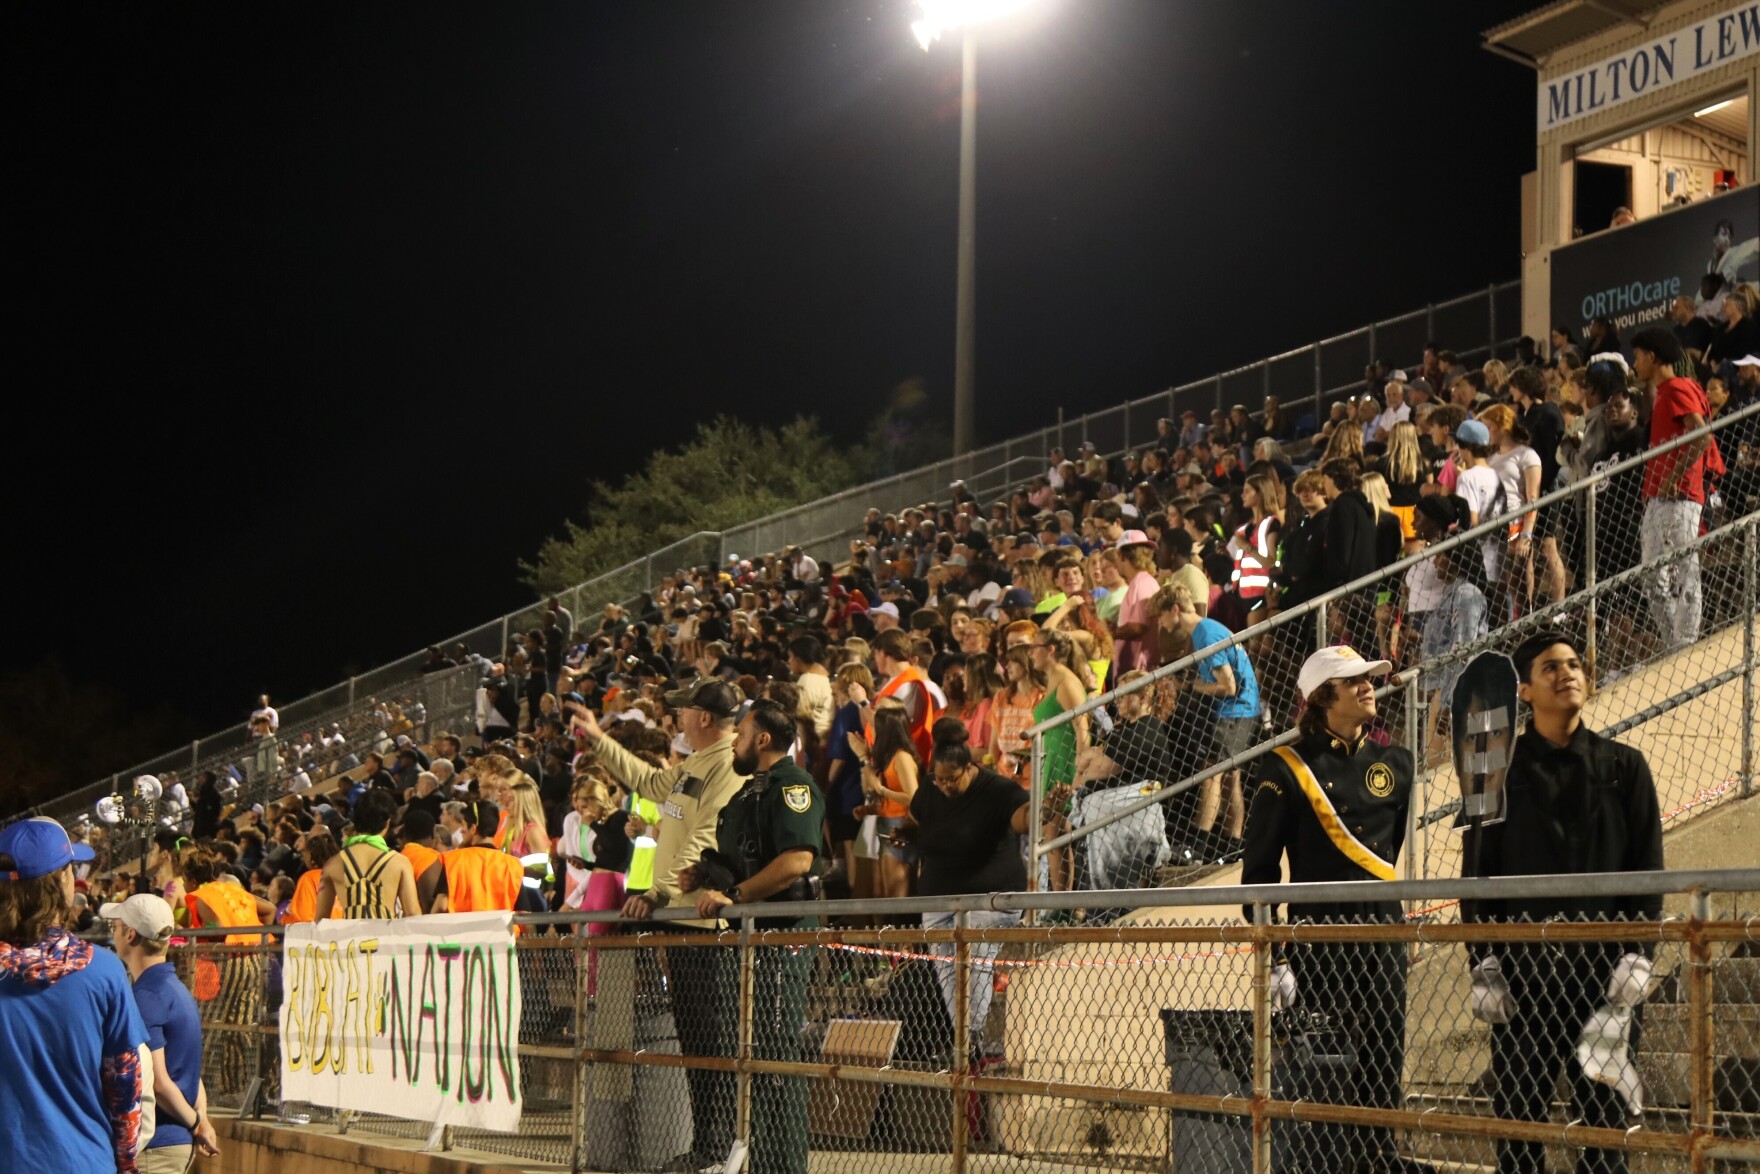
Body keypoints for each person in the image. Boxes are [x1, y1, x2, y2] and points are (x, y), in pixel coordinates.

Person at [1462, 634, 1664, 1174]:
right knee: (1519, 1123)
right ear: (1524, 689)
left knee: (1604, 1123)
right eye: (1550, 667)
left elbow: (1647, 871)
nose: (1567, 673)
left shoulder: (1626, 767)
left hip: (1605, 977)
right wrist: (1482, 965)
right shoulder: (1492, 774)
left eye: (1575, 665)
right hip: (1523, 977)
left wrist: (1639, 954)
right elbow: (1477, 879)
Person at [1240, 646, 1417, 1174]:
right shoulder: (1286, 768)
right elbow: (1259, 876)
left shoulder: (1396, 763)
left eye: (1370, 678)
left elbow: (1388, 852)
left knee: (1385, 1050)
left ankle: (1379, 1158)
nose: (1368, 687)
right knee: (1327, 1064)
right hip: (1318, 939)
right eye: (1354, 680)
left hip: (1384, 929)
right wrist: (1276, 960)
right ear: (1322, 697)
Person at [565, 677, 745, 1174]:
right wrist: (600, 742)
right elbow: (647, 782)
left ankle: (718, 1147)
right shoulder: (693, 764)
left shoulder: (725, 766)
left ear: (705, 719)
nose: (678, 718)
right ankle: (707, 1146)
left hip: (704, 924)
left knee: (711, 1040)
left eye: (686, 711)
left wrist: (660, 891)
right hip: (684, 920)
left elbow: (704, 839)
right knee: (695, 1039)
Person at [680, 699, 823, 1174]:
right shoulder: (748, 793)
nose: (734, 741)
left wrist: (735, 894)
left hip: (782, 937)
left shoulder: (793, 785)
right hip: (751, 937)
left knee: (776, 1050)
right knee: (752, 1051)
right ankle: (759, 1160)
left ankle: (782, 1166)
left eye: (740, 733)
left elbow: (795, 862)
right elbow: (743, 856)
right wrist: (705, 874)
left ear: (763, 739)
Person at [0, 818, 148, 1174]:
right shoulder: (105, 971)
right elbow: (125, 1089)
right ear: (62, 880)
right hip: (84, 1161)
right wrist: (127, 1165)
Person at [907, 719, 1030, 1059]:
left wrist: (1042, 809)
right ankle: (964, 1037)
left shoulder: (997, 790)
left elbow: (1022, 819)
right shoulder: (931, 788)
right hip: (940, 895)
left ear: (970, 768)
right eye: (939, 778)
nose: (944, 785)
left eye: (952, 778)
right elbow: (918, 816)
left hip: (989, 897)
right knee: (947, 967)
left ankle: (970, 1038)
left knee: (973, 959)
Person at [105, 894, 222, 1173]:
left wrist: (197, 1124)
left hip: (155, 1147)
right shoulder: (176, 990)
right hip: (174, 1142)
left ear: (130, 935)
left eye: (116, 928)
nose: (113, 934)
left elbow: (156, 1079)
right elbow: (193, 1074)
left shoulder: (148, 996)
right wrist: (200, 1120)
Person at [1162, 582, 1261, 862]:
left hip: (1234, 710)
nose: (1160, 622)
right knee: (1230, 779)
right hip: (1243, 709)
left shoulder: (1204, 632)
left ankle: (1198, 845)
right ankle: (1234, 846)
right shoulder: (1210, 628)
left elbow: (1227, 686)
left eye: (1161, 615)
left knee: (1210, 774)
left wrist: (1188, 687)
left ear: (1174, 609)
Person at [1630, 327, 1713, 653]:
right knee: (1652, 575)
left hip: (1679, 496)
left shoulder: (1677, 387)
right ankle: (1673, 645)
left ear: (1652, 357)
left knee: (1683, 570)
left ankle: (1686, 644)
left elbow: (1702, 435)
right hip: (1659, 497)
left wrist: (1674, 474)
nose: (1634, 363)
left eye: (1637, 356)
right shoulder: (1664, 392)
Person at [315, 787, 420, 920]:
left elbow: (320, 920)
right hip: (387, 939)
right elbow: (413, 914)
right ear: (388, 822)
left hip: (351, 939)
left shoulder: (332, 864)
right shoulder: (399, 862)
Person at [853, 700, 922, 900]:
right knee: (882, 892)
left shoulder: (902, 758)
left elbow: (912, 797)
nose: (872, 733)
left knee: (896, 894)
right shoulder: (889, 757)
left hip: (900, 825)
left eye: (875, 728)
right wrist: (870, 810)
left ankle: (899, 932)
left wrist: (882, 790)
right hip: (886, 822)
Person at [433, 800, 525, 914]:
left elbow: (442, 905)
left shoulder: (453, 860)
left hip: (462, 930)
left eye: (463, 824)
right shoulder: (513, 864)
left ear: (473, 828)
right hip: (501, 931)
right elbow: (523, 913)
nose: (461, 830)